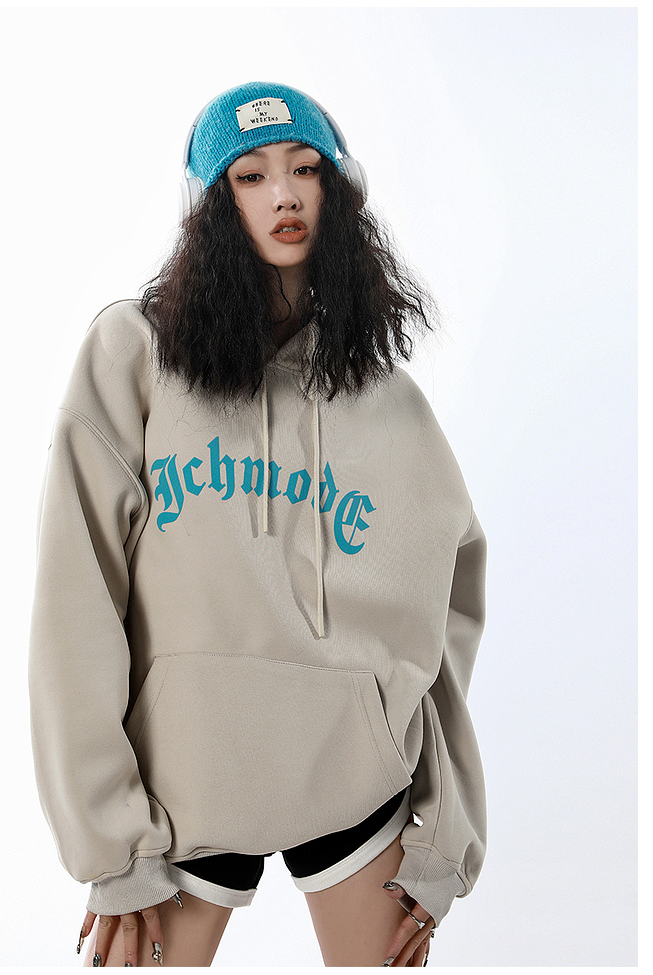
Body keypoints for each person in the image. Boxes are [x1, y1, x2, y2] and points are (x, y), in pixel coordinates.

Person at [28, 81, 488, 968]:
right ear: (211, 204)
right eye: (251, 175)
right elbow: (74, 600)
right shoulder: (136, 353)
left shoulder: (387, 399)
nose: (284, 194)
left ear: (337, 191)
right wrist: (110, 842)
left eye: (305, 169)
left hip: (358, 787)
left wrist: (444, 832)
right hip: (180, 791)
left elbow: (441, 628)